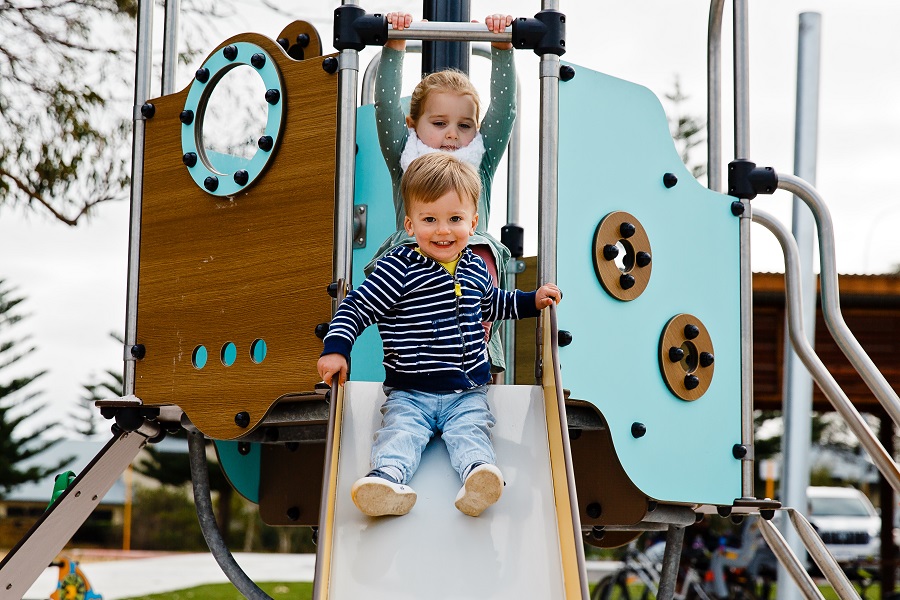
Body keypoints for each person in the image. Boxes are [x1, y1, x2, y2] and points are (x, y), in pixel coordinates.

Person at [318, 153, 562, 518]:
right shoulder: (397, 268)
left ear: (473, 223)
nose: (443, 230)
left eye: (455, 219)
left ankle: (478, 478)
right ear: (410, 224)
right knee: (400, 433)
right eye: (430, 219)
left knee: (472, 431)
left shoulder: (476, 267)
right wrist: (337, 348)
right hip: (411, 391)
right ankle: (386, 482)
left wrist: (531, 301)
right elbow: (357, 307)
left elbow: (495, 304)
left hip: (466, 391)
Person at [366, 11, 516, 373]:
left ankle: (477, 347)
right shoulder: (406, 155)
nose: (452, 134)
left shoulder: (479, 159)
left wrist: (503, 48)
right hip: (417, 271)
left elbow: (506, 110)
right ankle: (417, 346)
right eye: (438, 123)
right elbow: (385, 105)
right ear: (412, 124)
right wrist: (395, 45)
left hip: (466, 274)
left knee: (480, 249)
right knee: (402, 256)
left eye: (464, 125)